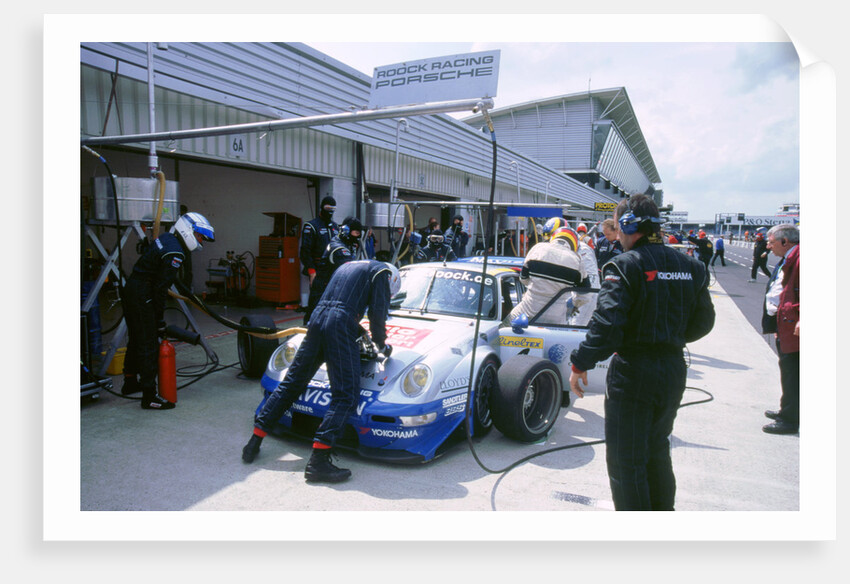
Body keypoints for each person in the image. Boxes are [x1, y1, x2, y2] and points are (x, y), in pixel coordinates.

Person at [568, 194, 715, 511]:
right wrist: (668, 337)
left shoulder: (623, 266)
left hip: (634, 373)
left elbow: (606, 327)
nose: (617, 239)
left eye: (619, 231)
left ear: (626, 225)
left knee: (626, 461)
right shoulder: (692, 265)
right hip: (673, 369)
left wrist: (579, 363)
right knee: (657, 448)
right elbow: (705, 322)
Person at [241, 260, 401, 483]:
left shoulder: (349, 265)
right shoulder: (383, 273)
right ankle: (318, 462)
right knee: (345, 395)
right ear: (392, 281)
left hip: (317, 321)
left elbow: (335, 303)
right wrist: (381, 345)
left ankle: (253, 443)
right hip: (340, 325)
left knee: (291, 383)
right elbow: (377, 314)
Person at [121, 212, 215, 410]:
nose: (200, 241)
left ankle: (129, 382)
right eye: (199, 236)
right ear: (188, 231)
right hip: (143, 293)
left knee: (136, 338)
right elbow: (160, 289)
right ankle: (149, 396)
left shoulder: (167, 239)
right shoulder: (176, 253)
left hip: (131, 288)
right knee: (149, 342)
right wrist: (159, 319)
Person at [761, 224, 800, 435]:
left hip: (794, 326)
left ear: (785, 242)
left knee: (793, 371)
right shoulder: (790, 257)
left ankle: (790, 419)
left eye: (771, 242)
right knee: (788, 369)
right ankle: (788, 409)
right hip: (786, 323)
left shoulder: (801, 258)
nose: (768, 246)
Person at [506, 225, 587, 325]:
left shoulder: (538, 248)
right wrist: (575, 305)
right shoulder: (577, 260)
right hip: (556, 318)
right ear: (574, 244)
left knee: (503, 328)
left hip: (528, 311)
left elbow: (523, 279)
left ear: (554, 237)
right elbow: (585, 294)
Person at [300, 196, 339, 324]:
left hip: (332, 271)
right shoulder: (311, 226)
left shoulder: (335, 227)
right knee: (316, 301)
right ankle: (308, 325)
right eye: (327, 208)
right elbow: (305, 252)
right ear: (322, 208)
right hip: (317, 271)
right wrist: (312, 272)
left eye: (332, 209)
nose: (330, 211)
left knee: (332, 301)